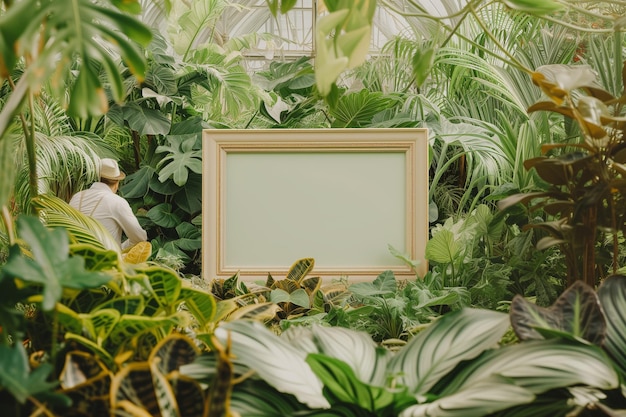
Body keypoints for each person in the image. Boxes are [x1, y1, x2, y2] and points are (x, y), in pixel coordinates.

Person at [70, 158, 147, 251]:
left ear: (98, 178)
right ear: (117, 183)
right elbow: (140, 238)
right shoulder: (116, 202)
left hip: (74, 257)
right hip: (105, 261)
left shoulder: (77, 197)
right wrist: (120, 248)